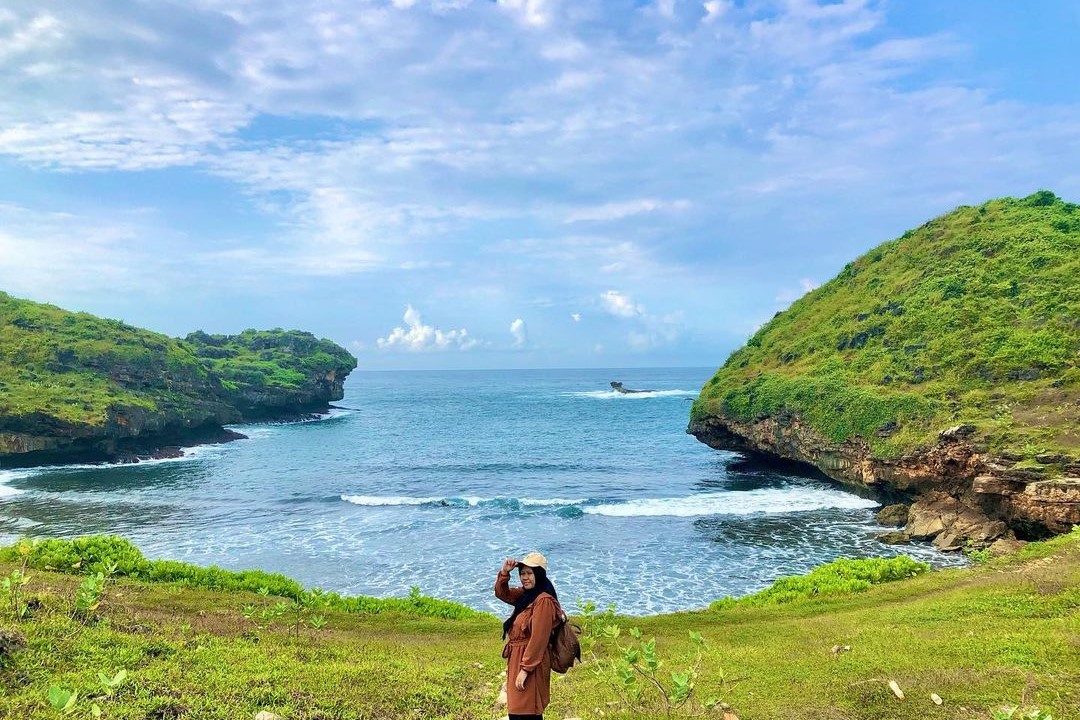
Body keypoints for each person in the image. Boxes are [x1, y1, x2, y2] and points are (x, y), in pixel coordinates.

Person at [495, 551, 561, 720]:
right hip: (518, 658)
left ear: (538, 575)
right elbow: (503, 594)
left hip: (531, 662)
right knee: (517, 712)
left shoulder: (543, 600)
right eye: (522, 573)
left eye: (529, 573)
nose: (525, 577)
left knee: (527, 712)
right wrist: (504, 573)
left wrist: (526, 669)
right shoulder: (526, 595)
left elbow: (539, 638)